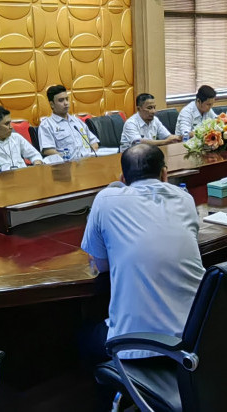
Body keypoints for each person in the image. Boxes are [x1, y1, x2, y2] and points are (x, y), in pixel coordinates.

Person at [81, 144, 205, 360]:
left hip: (139, 347)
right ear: (165, 174)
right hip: (197, 336)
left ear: (122, 179)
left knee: (84, 335)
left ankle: (118, 388)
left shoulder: (105, 200)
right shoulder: (185, 199)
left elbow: (102, 266)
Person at [38, 85, 99, 159]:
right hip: (67, 166)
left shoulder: (77, 121)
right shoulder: (46, 125)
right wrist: (65, 160)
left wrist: (92, 155)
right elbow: (48, 150)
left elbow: (93, 141)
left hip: (89, 162)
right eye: (61, 100)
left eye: (67, 99)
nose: (66, 103)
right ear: (52, 104)